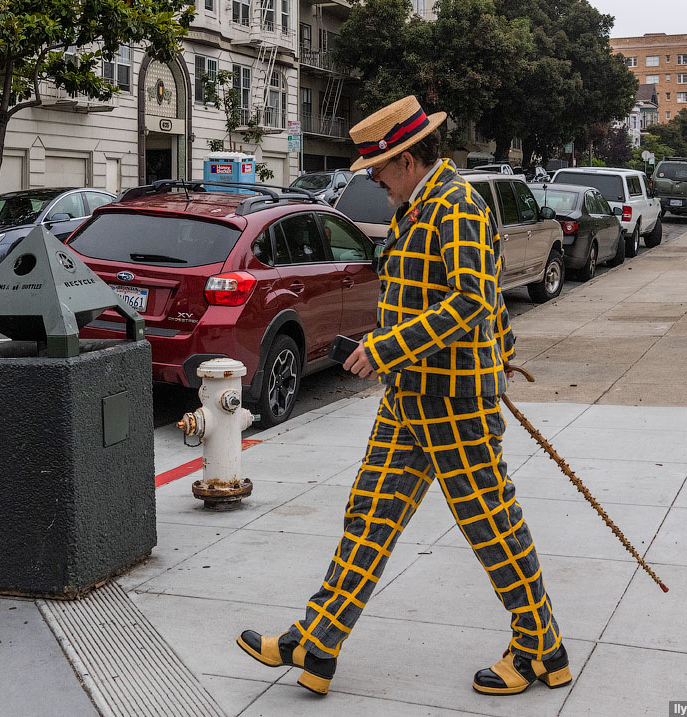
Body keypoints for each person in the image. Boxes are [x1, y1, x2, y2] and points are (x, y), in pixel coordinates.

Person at [236, 96, 570, 697]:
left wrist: (390, 349)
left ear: (410, 159)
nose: (372, 180)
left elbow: (471, 300)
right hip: (411, 400)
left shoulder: (457, 206)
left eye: (380, 169)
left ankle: (540, 646)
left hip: (455, 402)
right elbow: (462, 300)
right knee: (368, 517)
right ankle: (318, 642)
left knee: (490, 526)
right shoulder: (421, 207)